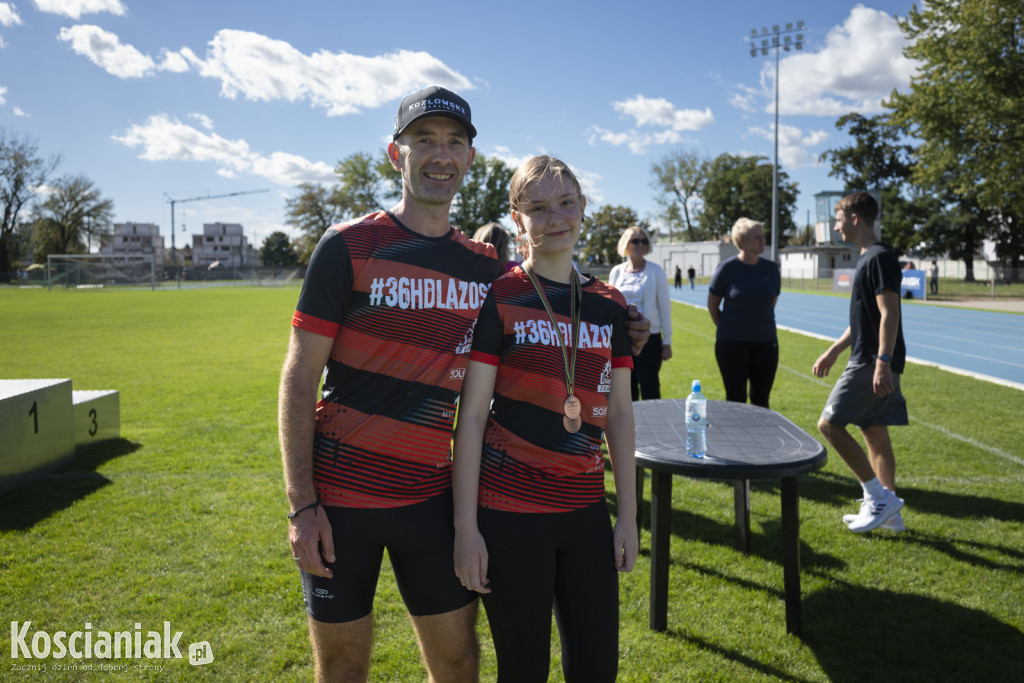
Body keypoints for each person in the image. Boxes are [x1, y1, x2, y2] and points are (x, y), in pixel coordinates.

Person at [279, 86, 651, 682]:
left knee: (458, 664)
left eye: (454, 141)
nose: (440, 154)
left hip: (433, 499)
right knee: (343, 664)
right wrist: (302, 505)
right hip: (342, 498)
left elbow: (553, 292)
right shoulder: (347, 246)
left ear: (471, 159)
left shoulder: (489, 271)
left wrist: (626, 326)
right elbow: (299, 380)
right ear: (396, 154)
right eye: (423, 140)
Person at [453, 155, 637, 682]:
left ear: (583, 209)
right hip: (510, 515)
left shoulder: (609, 305)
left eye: (565, 203)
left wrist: (627, 515)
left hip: (584, 514)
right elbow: (471, 420)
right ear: (517, 219)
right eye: (537, 207)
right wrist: (467, 530)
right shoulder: (502, 297)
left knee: (597, 668)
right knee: (523, 669)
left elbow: (621, 415)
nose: (554, 217)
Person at [812, 191, 907, 534]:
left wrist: (881, 362)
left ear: (854, 219)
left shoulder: (880, 257)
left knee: (829, 425)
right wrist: (835, 349)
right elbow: (863, 319)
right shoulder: (868, 257)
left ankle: (878, 499)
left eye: (838, 221)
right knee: (874, 434)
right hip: (869, 357)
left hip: (872, 361)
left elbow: (889, 313)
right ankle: (891, 515)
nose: (835, 228)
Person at [707, 218, 781, 409]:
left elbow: (771, 302)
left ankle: (762, 439)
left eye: (763, 236)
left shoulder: (771, 269)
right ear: (741, 240)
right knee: (735, 399)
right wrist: (728, 327)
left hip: (765, 343)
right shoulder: (727, 268)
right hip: (731, 343)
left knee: (761, 400)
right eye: (757, 237)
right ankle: (735, 439)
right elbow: (713, 304)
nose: (763, 240)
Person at [609, 226, 673, 400]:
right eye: (635, 241)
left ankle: (654, 425)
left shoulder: (656, 270)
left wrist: (667, 342)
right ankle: (630, 427)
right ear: (626, 244)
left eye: (644, 241)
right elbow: (611, 305)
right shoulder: (617, 271)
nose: (641, 245)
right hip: (622, 339)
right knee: (626, 390)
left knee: (650, 386)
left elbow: (665, 307)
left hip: (650, 338)